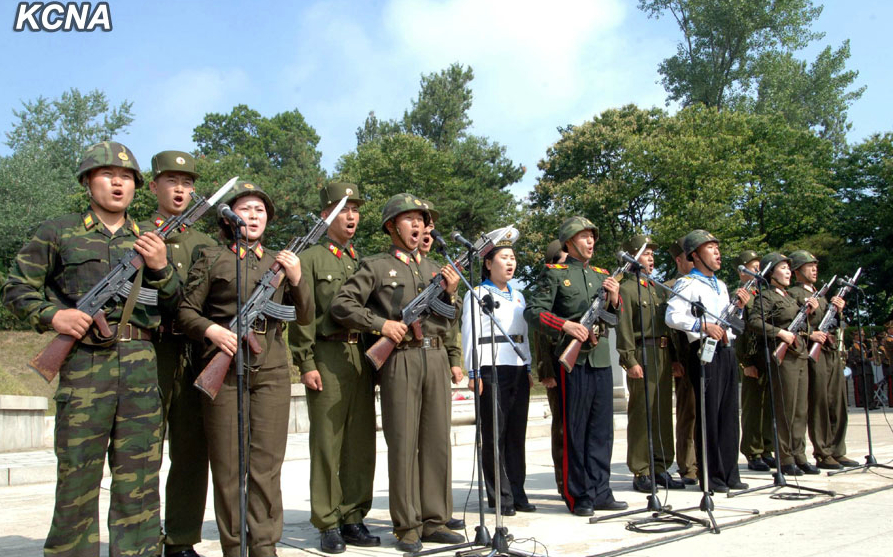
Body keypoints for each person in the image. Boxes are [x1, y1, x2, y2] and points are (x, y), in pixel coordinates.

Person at [2, 141, 179, 557]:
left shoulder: (148, 240)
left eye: (126, 178)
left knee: (139, 478)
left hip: (140, 369)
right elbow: (15, 288)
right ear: (87, 182)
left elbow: (175, 304)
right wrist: (53, 316)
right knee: (78, 476)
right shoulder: (58, 230)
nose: (118, 183)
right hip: (84, 366)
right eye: (107, 175)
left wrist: (162, 268)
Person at [177, 181, 314, 557]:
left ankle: (265, 546)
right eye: (245, 209)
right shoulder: (212, 257)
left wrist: (298, 278)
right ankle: (234, 547)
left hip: (270, 371)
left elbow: (304, 316)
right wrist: (213, 330)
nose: (253, 216)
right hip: (223, 370)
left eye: (260, 210)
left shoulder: (281, 263)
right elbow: (187, 311)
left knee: (266, 466)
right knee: (227, 467)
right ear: (230, 217)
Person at [330, 193, 465, 553]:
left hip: (434, 357)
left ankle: (435, 519)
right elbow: (342, 304)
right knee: (404, 443)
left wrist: (450, 295)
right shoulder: (376, 266)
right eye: (409, 218)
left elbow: (449, 320)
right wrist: (380, 324)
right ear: (392, 226)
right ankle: (407, 526)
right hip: (400, 359)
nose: (418, 224)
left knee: (437, 442)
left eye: (422, 218)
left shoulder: (437, 268)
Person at [288, 183, 378, 554]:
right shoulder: (310, 259)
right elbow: (302, 314)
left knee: (361, 444)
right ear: (326, 215)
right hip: (326, 356)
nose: (352, 216)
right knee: (327, 443)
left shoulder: (362, 262)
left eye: (355, 209)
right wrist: (306, 361)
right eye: (343, 209)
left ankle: (353, 516)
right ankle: (327, 521)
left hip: (363, 359)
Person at [141, 150, 217, 557]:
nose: (180, 189)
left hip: (194, 353)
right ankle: (144, 535)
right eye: (172, 181)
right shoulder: (140, 234)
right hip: (151, 350)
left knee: (190, 451)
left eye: (187, 183)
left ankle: (181, 538)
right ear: (154, 186)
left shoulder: (205, 243)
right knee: (143, 451)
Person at [524, 216, 627, 516]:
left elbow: (612, 318)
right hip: (573, 363)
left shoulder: (602, 275)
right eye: (583, 237)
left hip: (600, 360)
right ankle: (578, 494)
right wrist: (565, 325)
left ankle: (601, 490)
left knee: (601, 430)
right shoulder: (554, 274)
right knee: (575, 429)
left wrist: (615, 299)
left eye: (592, 236)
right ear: (569, 242)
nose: (590, 242)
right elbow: (534, 312)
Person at [665, 230, 749, 493]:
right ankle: (712, 476)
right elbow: (672, 317)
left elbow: (729, 320)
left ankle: (729, 472)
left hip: (726, 350)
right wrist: (702, 325)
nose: (717, 252)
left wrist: (741, 306)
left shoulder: (721, 285)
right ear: (695, 255)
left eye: (716, 247)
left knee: (728, 414)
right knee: (709, 414)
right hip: (704, 352)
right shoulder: (687, 284)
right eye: (710, 247)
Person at [462, 235, 534, 515]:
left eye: (513, 258)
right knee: (495, 434)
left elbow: (524, 335)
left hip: (516, 367)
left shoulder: (518, 295)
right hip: (491, 367)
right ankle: (499, 495)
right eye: (504, 258)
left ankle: (517, 490)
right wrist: (474, 370)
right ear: (488, 263)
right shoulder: (477, 293)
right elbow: (470, 333)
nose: (510, 263)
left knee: (516, 434)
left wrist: (527, 366)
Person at [616, 235, 684, 492]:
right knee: (642, 413)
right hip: (642, 353)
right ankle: (641, 470)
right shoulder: (626, 288)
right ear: (632, 256)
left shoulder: (657, 288)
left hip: (663, 354)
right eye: (645, 253)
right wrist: (629, 359)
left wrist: (675, 359)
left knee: (663, 412)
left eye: (652, 253)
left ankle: (661, 466)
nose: (651, 257)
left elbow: (669, 327)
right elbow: (624, 329)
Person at [746, 252, 818, 477]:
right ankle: (785, 458)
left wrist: (811, 313)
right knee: (785, 409)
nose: (788, 272)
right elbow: (754, 322)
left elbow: (801, 327)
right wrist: (779, 333)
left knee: (800, 409)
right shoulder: (765, 297)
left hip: (799, 355)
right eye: (783, 268)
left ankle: (799, 455)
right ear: (771, 272)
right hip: (783, 358)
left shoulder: (788, 297)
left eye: (789, 268)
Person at [787, 250, 858, 469]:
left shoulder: (821, 294)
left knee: (837, 402)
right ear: (797, 271)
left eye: (815, 265)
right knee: (819, 404)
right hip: (812, 353)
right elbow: (791, 326)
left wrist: (839, 310)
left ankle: (838, 449)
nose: (814, 269)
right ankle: (823, 451)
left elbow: (834, 324)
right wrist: (810, 334)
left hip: (830, 351)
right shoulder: (794, 294)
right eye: (809, 266)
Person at [735, 250, 776, 472]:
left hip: (768, 355)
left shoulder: (765, 292)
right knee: (752, 407)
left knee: (768, 406)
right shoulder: (741, 294)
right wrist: (744, 362)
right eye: (753, 267)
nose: (758, 270)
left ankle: (768, 448)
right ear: (742, 272)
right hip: (751, 357)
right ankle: (753, 451)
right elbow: (739, 331)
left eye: (759, 266)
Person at [532, 239, 566, 493]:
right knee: (562, 425)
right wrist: (546, 371)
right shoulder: (547, 287)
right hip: (556, 363)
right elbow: (540, 334)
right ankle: (562, 478)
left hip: (578, 363)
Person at [665, 237, 698, 486]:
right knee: (688, 413)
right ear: (680, 260)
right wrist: (674, 360)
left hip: (704, 357)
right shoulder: (670, 286)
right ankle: (688, 466)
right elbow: (669, 330)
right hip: (684, 359)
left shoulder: (705, 284)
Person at [846, 330, 876, 409]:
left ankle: (871, 402)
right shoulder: (855, 346)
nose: (863, 337)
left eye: (863, 335)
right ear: (856, 336)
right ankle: (866, 403)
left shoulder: (863, 345)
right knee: (864, 388)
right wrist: (869, 359)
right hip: (861, 370)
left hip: (867, 369)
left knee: (870, 387)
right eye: (861, 335)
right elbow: (857, 359)